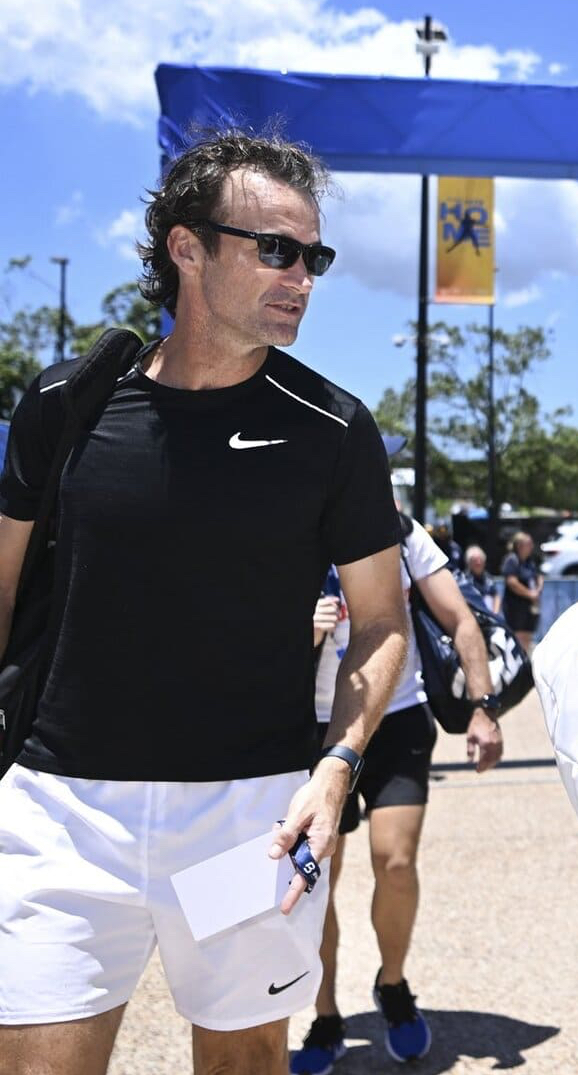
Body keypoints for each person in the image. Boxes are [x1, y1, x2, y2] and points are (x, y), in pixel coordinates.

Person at [0, 128, 410, 1074]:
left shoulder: (333, 431)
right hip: (63, 813)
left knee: (243, 1063)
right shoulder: (68, 406)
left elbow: (382, 623)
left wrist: (338, 763)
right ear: (186, 248)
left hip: (250, 818)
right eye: (275, 249)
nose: (301, 275)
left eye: (314, 256)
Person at [291, 449, 504, 1073]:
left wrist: (482, 708)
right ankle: (325, 1016)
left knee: (397, 861)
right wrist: (303, 629)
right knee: (316, 880)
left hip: (398, 717)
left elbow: (460, 620)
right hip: (312, 724)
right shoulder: (296, 533)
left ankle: (392, 985)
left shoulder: (405, 536)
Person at [500, 530, 543, 653]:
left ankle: (524, 661)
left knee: (528, 635)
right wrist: (530, 594)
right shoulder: (512, 560)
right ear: (519, 545)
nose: (531, 547)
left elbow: (538, 576)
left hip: (530, 605)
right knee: (517, 636)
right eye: (528, 544)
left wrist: (538, 589)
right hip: (516, 606)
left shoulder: (530, 561)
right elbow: (512, 582)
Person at [461, 543, 500, 615]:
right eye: (475, 560)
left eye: (480, 560)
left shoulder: (489, 577)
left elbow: (495, 595)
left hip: (491, 614)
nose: (478, 563)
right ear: (469, 563)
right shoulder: (463, 580)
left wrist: (495, 613)